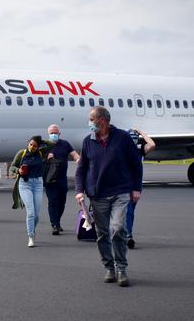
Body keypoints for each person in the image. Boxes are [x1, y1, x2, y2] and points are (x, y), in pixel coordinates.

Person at [75, 106, 142, 287]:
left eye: (92, 119)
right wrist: (79, 190)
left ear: (102, 120)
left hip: (120, 192)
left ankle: (121, 268)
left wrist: (136, 188)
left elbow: (136, 164)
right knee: (102, 234)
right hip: (97, 195)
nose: (89, 122)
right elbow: (81, 169)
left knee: (118, 228)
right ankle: (109, 267)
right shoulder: (88, 141)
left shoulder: (123, 138)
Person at [10, 136, 54, 247]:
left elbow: (52, 144)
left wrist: (41, 140)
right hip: (25, 184)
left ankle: (32, 230)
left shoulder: (40, 152)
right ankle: (30, 237)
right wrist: (18, 170)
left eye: (35, 145)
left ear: (38, 146)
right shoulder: (22, 153)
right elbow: (12, 167)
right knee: (30, 212)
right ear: (28, 143)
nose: (32, 147)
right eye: (30, 144)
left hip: (38, 183)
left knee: (37, 215)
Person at [45, 124, 80, 236]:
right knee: (53, 201)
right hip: (50, 179)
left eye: (55, 133)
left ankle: (57, 221)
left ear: (59, 134)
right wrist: (46, 158)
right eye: (51, 133)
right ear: (48, 134)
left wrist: (79, 160)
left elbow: (74, 155)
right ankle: (54, 225)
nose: (54, 135)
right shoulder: (44, 146)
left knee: (62, 202)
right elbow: (38, 160)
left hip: (62, 178)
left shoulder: (65, 144)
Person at [125, 128, 156, 249]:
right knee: (125, 210)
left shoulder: (139, 149)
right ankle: (126, 234)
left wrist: (142, 133)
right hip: (122, 184)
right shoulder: (121, 149)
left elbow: (152, 144)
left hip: (134, 185)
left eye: (135, 137)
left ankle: (127, 234)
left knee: (129, 210)